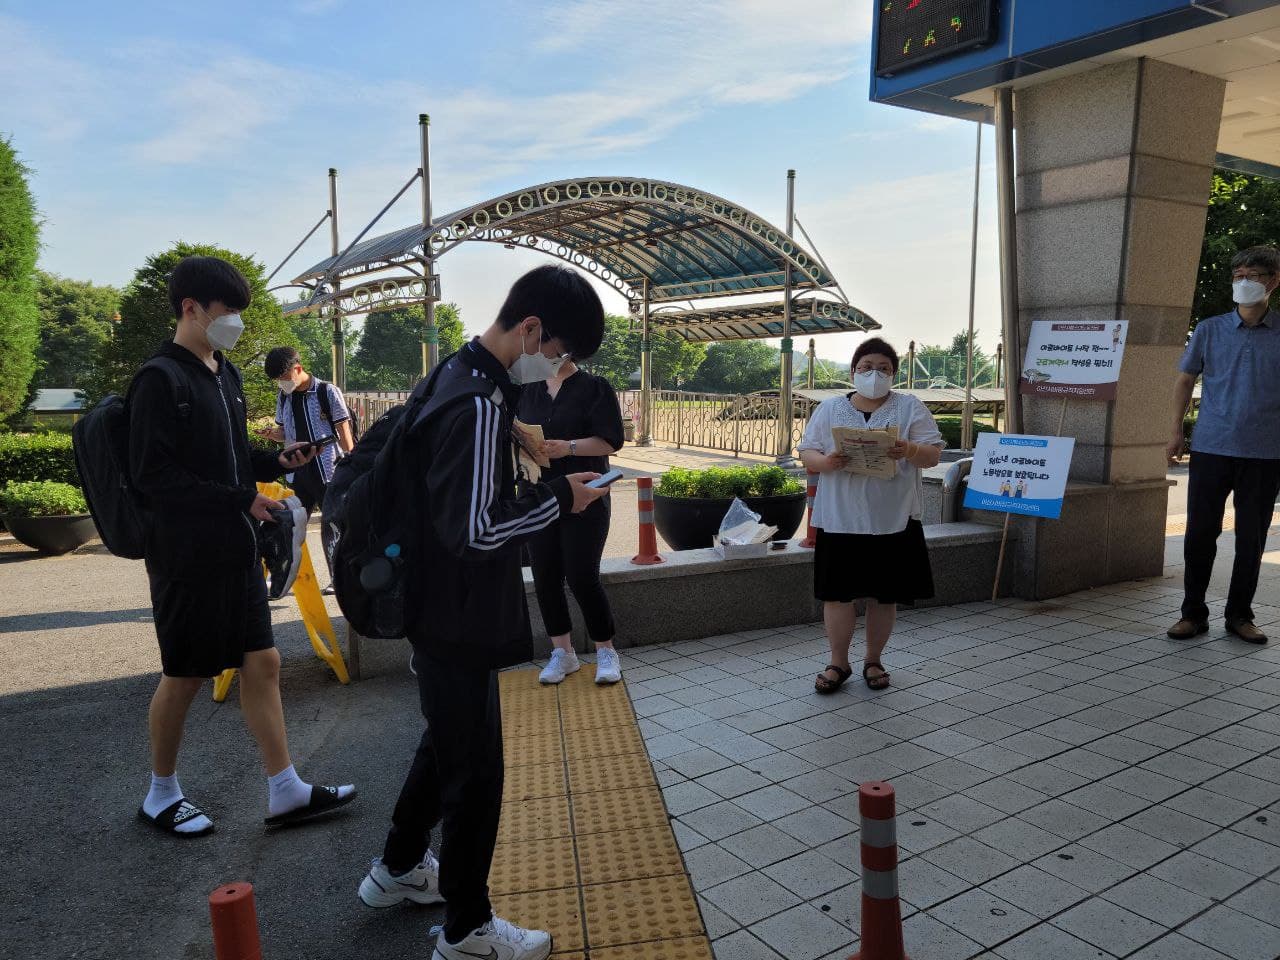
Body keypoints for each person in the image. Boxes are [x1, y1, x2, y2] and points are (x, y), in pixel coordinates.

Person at [357, 265, 608, 960]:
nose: (552, 366)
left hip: (433, 609)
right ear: (531, 329)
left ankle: (400, 869)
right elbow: (473, 531)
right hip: (458, 615)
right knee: (476, 774)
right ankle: (467, 930)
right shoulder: (475, 403)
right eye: (555, 352)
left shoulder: (458, 376)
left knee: (446, 746)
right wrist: (562, 499)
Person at [129, 255, 355, 837]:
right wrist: (239, 498)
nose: (235, 323)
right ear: (191, 308)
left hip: (234, 547)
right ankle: (160, 793)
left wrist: (276, 460)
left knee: (264, 661)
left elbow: (231, 457)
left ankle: (285, 789)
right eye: (227, 312)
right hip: (184, 553)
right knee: (185, 673)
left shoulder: (222, 372)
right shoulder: (160, 379)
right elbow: (153, 477)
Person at [797, 337, 944, 692]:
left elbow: (933, 455)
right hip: (840, 518)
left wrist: (907, 448)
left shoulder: (909, 407)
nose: (873, 374)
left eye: (883, 368)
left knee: (884, 595)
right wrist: (827, 462)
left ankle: (873, 660)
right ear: (853, 372)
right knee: (837, 595)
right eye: (865, 368)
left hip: (892, 519)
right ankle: (838, 662)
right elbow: (806, 452)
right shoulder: (831, 408)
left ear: (894, 373)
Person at [1167, 245, 1280, 645]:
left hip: (1266, 453)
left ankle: (1240, 616)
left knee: (1252, 537)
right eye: (1238, 277)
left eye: (1252, 276)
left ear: (1273, 281)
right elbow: (1184, 380)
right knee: (1199, 533)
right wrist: (1175, 429)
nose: (1244, 283)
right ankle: (1192, 614)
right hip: (1212, 446)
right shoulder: (1209, 329)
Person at [518, 353, 626, 685]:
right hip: (539, 495)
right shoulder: (527, 390)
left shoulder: (595, 388)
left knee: (581, 575)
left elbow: (611, 441)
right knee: (545, 575)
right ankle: (562, 653)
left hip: (587, 494)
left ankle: (606, 650)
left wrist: (569, 447)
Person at [260, 346, 355, 591]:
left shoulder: (326, 391)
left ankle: (340, 577)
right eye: (278, 381)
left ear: (298, 369)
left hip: (328, 470)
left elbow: (343, 428)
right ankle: (279, 574)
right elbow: (284, 433)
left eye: (283, 378)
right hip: (298, 471)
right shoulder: (284, 397)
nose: (282, 384)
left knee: (334, 525)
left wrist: (353, 461)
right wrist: (273, 434)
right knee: (287, 523)